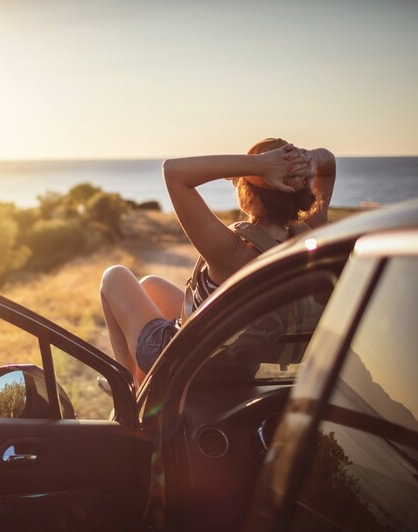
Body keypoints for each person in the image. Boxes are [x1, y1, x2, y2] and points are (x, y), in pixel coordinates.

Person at [100, 138, 336, 386]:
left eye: (239, 182)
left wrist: (259, 164)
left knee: (113, 276)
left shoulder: (233, 252)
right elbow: (328, 165)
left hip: (182, 364)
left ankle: (127, 389)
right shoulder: (310, 238)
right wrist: (303, 160)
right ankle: (142, 387)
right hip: (238, 362)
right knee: (150, 285)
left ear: (249, 197)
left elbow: (173, 172)